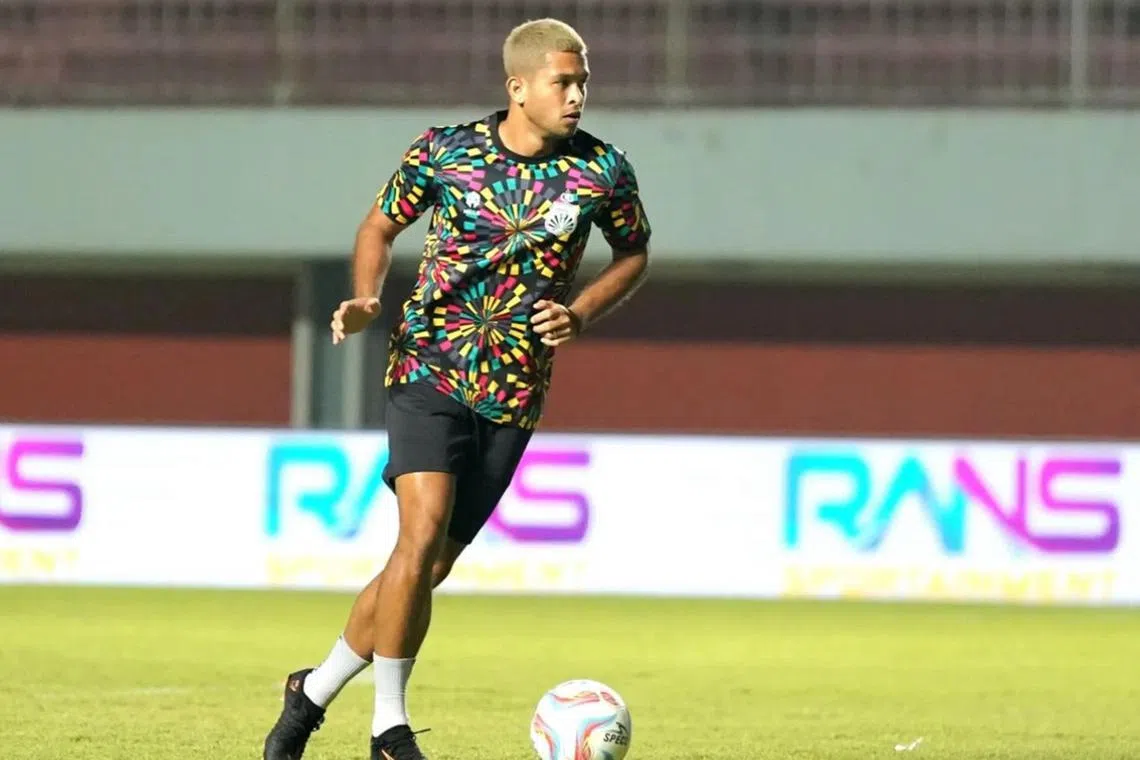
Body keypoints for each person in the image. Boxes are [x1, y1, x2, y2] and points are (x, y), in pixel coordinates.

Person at [263, 16, 652, 760]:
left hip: (515, 388)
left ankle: (310, 693)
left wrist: (579, 312)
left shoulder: (603, 171)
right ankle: (389, 727)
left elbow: (633, 253)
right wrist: (367, 295)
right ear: (518, 87)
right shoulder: (446, 151)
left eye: (582, 83)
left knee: (425, 567)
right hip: (429, 365)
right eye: (562, 83)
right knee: (419, 536)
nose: (577, 96)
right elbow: (378, 227)